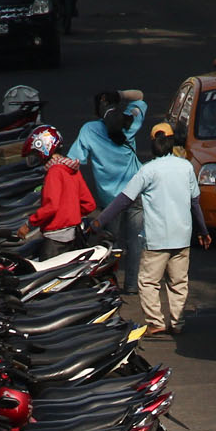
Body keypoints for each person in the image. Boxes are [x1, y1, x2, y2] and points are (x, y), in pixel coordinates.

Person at [96, 123, 207, 337]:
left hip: (156, 239)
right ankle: (177, 321)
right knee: (178, 282)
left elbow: (123, 200)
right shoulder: (185, 167)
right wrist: (203, 231)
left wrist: (99, 221)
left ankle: (156, 322)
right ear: (172, 142)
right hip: (182, 237)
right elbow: (195, 203)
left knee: (148, 281)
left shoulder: (147, 170)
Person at [67, 89, 146, 289]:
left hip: (110, 200)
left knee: (111, 242)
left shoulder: (89, 130)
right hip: (135, 193)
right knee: (136, 241)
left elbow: (74, 161)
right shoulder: (130, 123)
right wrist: (118, 95)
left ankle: (109, 284)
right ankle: (132, 286)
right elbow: (140, 96)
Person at [13, 124, 93, 247]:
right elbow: (89, 204)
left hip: (55, 240)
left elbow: (51, 206)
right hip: (74, 235)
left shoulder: (54, 172)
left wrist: (28, 224)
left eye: (36, 154)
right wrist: (70, 215)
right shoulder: (71, 168)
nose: (37, 158)